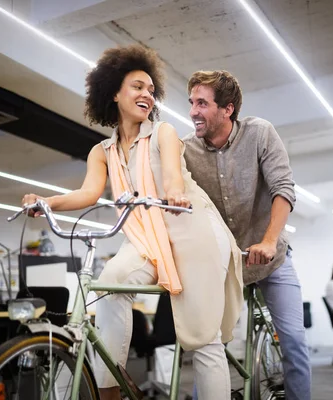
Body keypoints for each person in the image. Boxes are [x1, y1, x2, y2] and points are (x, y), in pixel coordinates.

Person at [21, 46, 244, 400]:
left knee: (202, 338)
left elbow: (172, 176)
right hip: (143, 237)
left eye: (151, 90)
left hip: (191, 228)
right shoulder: (103, 151)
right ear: (113, 92)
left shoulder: (163, 133)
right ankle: (111, 390)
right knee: (108, 284)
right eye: (137, 87)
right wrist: (46, 202)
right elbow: (87, 193)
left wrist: (174, 193)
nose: (146, 95)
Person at [183, 70, 311, 400]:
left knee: (294, 339)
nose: (193, 111)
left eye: (202, 103)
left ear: (228, 109)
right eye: (191, 103)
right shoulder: (185, 150)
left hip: (271, 259)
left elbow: (283, 188)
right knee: (209, 345)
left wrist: (268, 240)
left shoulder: (259, 133)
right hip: (223, 262)